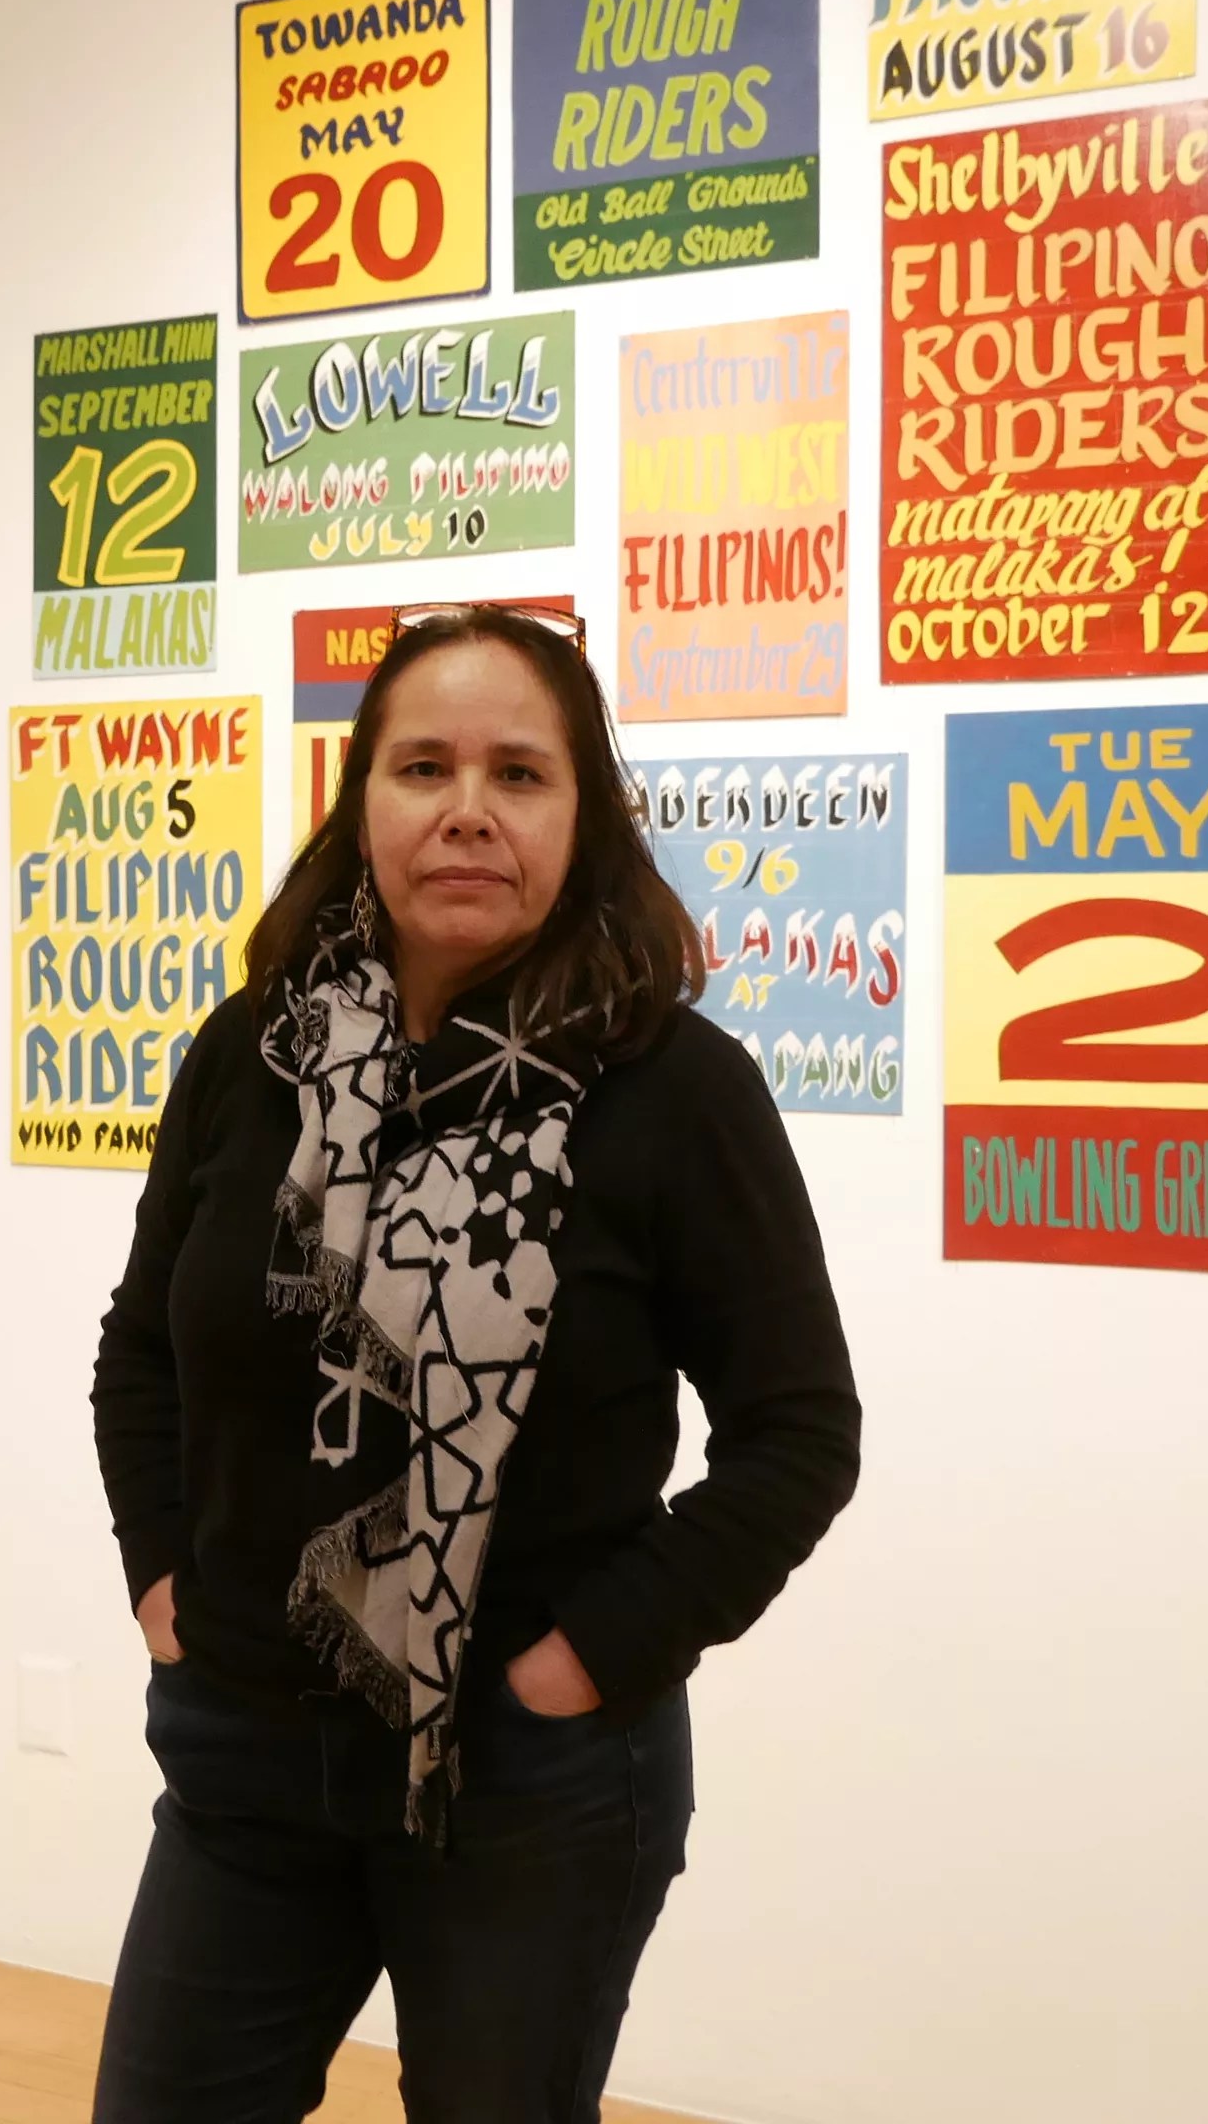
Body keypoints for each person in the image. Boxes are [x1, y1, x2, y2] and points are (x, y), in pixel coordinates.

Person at [86, 603, 864, 2119]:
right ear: (361, 800)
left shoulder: (675, 1090)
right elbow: (141, 1350)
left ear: (585, 816)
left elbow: (798, 1434)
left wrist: (587, 1662)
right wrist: (163, 1577)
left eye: (519, 772)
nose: (466, 810)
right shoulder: (252, 1054)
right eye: (422, 766)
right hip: (247, 1754)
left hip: (530, 1781)